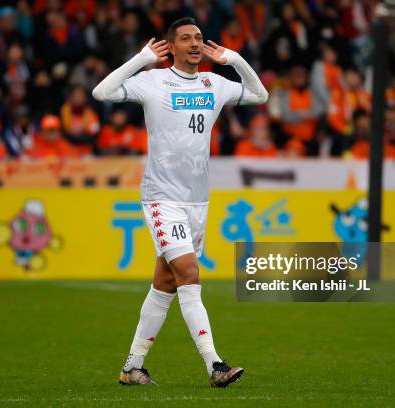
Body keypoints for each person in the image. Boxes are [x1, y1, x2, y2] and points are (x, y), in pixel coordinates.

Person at [92, 17, 268, 387]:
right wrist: (141, 59)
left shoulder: (214, 84)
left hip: (197, 201)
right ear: (170, 46)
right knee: (189, 275)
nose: (194, 43)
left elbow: (259, 95)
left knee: (165, 284)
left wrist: (234, 59)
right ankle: (215, 364)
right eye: (185, 38)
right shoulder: (152, 81)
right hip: (162, 197)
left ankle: (132, 367)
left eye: (199, 38)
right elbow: (102, 93)